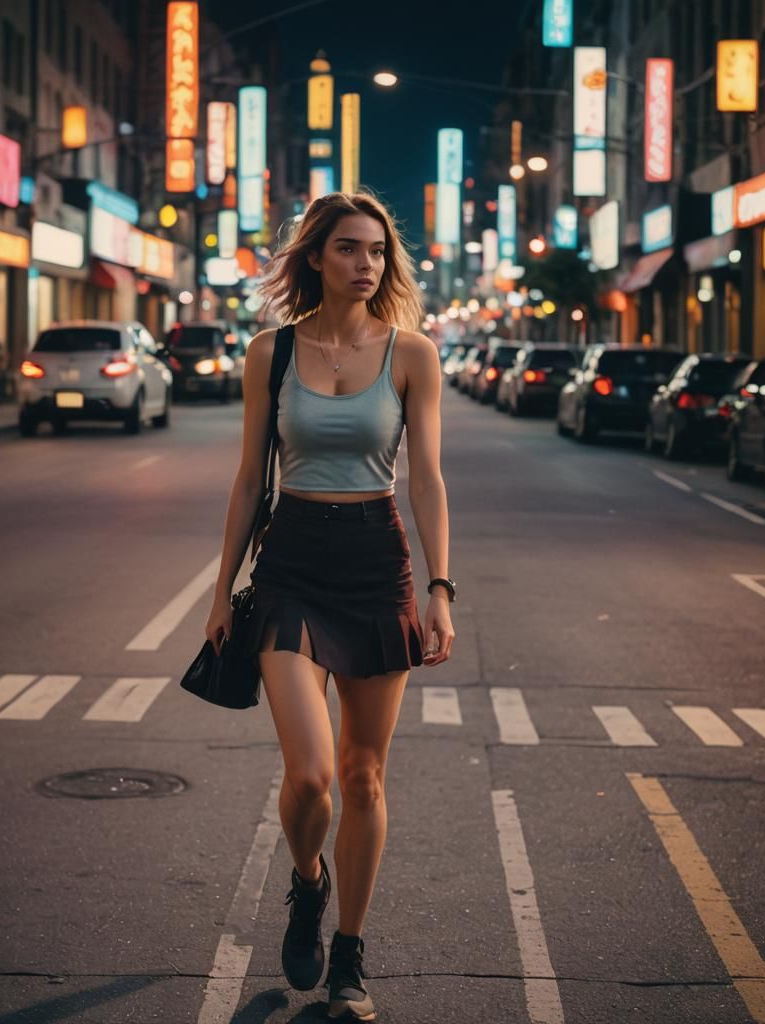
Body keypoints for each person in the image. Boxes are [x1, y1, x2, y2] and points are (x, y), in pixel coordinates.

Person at [204, 191, 454, 1021]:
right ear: (315, 256)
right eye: (348, 248)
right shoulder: (269, 353)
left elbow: (425, 478)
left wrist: (440, 590)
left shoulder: (412, 354)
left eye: (377, 251)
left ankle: (349, 953)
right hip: (292, 566)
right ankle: (306, 884)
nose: (366, 264)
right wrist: (219, 594)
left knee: (363, 775)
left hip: (377, 567)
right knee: (310, 778)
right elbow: (248, 479)